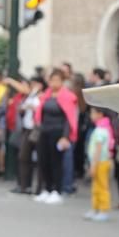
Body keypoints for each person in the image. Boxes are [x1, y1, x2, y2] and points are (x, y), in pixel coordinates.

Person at [33, 69, 78, 205]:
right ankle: (47, 189)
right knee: (43, 161)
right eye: (52, 80)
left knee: (56, 163)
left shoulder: (68, 96)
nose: (54, 83)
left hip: (58, 133)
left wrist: (65, 137)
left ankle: (57, 191)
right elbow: (40, 113)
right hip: (45, 131)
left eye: (57, 80)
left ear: (62, 81)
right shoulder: (46, 95)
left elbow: (69, 119)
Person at [84, 106, 114, 222]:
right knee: (96, 186)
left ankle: (103, 210)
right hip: (99, 162)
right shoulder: (102, 127)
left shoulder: (101, 130)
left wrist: (93, 164)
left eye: (92, 113)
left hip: (100, 162)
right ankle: (95, 208)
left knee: (102, 186)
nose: (91, 115)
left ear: (100, 114)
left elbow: (98, 149)